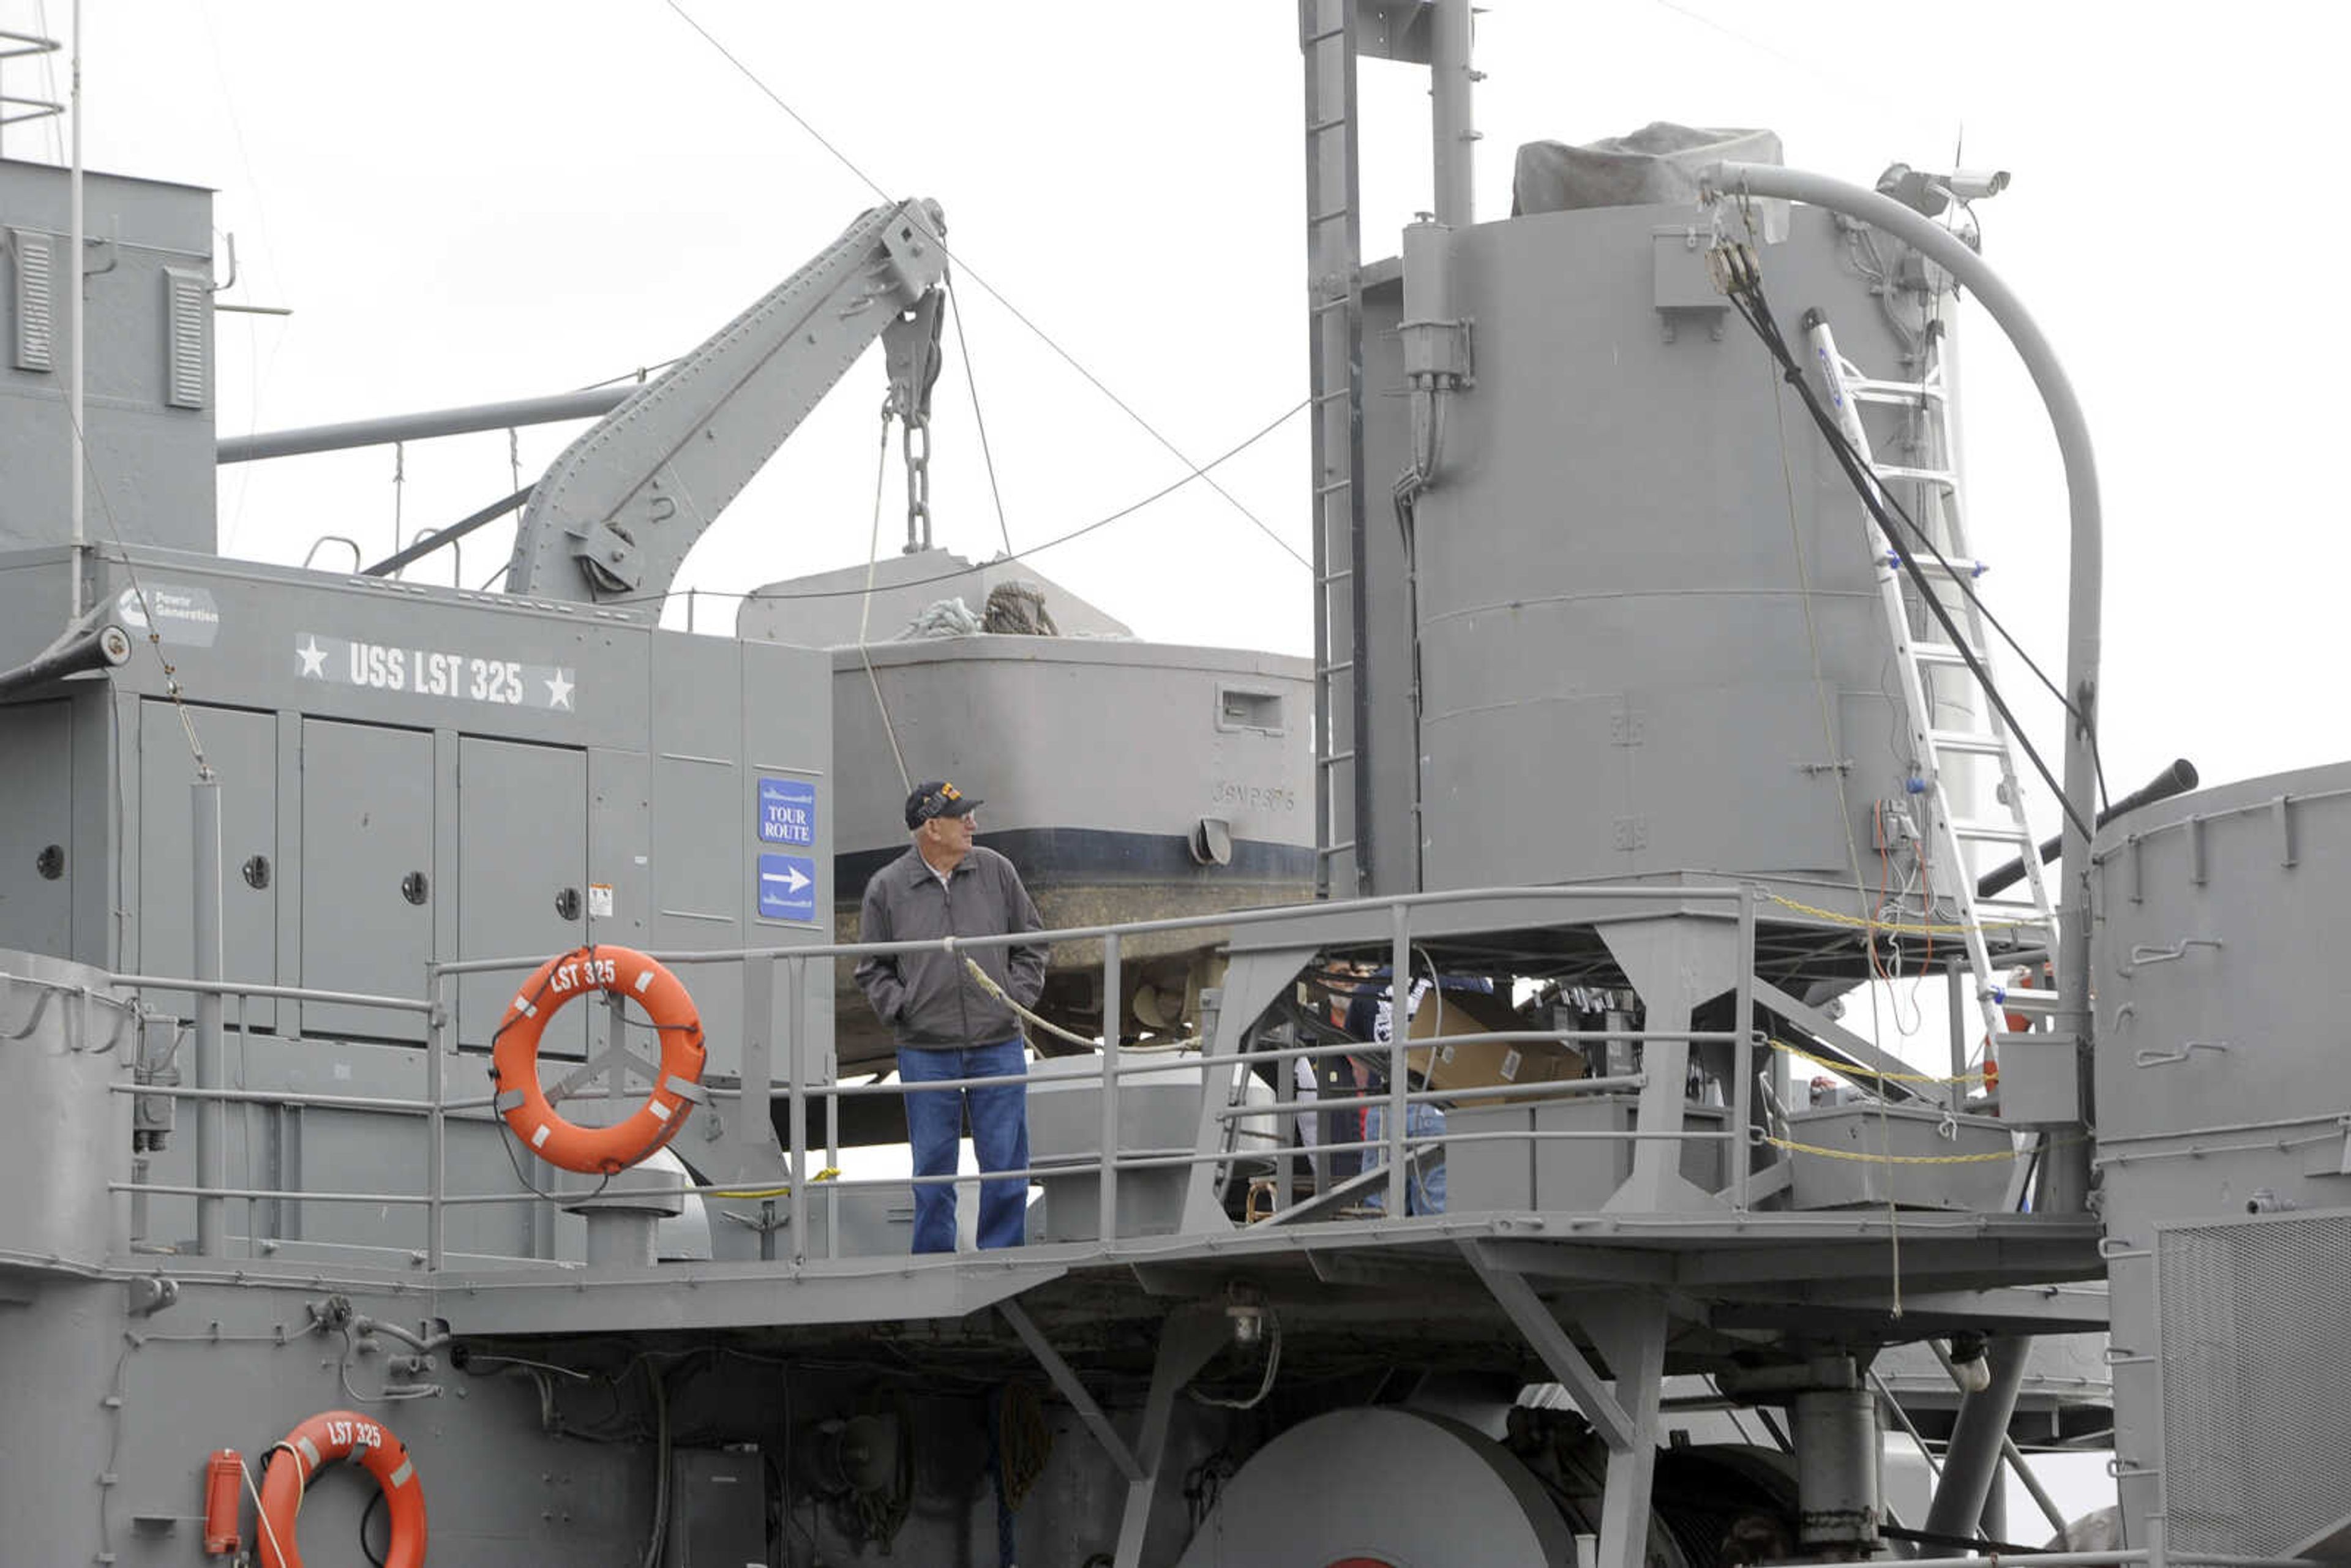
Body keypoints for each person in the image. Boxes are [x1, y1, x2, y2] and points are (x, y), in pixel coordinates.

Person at [853, 779, 1048, 1253]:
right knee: (933, 1167)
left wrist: (1014, 998)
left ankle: (1003, 1258)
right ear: (930, 826)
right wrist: (903, 1010)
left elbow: (1033, 943)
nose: (972, 823)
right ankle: (933, 1264)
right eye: (961, 816)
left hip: (998, 1041)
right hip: (925, 1048)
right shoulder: (887, 887)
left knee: (1006, 1160)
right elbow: (871, 967)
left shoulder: (997, 872)